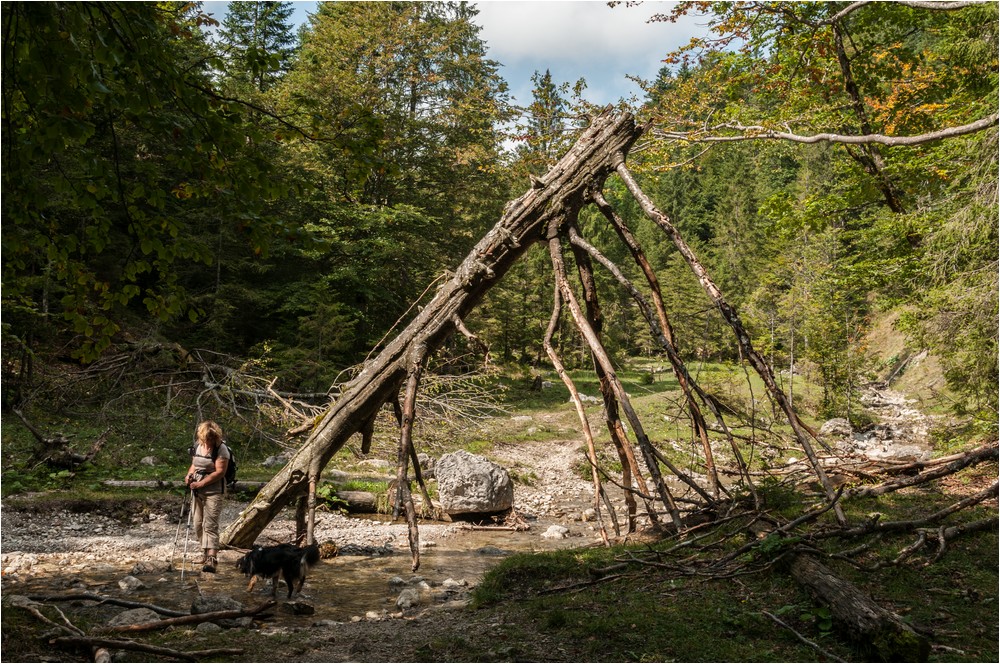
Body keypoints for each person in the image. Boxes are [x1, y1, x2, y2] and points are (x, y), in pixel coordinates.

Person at [183, 420, 230, 573]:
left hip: (214, 491)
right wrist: (189, 475)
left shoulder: (221, 449)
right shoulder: (198, 446)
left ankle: (212, 558)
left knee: (210, 525)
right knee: (197, 523)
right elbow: (195, 464)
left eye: (211, 439)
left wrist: (201, 483)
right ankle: (204, 553)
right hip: (196, 489)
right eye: (205, 439)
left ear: (215, 437)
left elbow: (220, 472)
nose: (208, 442)